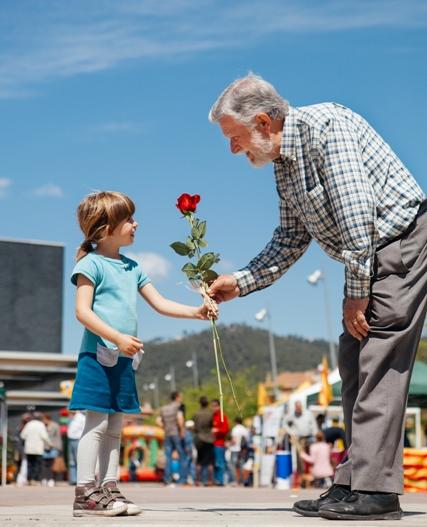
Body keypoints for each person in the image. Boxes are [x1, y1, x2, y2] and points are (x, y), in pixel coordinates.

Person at [208, 74, 427, 520]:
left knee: (378, 361)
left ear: (265, 122)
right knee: (352, 364)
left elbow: (357, 214)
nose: (233, 149)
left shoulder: (326, 128)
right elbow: (290, 237)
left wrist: (355, 295)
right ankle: (352, 481)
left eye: (235, 137)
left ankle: (377, 493)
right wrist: (242, 280)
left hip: (399, 243)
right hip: (369, 253)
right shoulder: (285, 164)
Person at [70, 191, 216, 517]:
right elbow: (82, 312)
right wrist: (118, 337)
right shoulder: (90, 264)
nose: (137, 224)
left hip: (124, 357)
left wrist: (197, 312)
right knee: (95, 424)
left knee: (115, 427)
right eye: (129, 219)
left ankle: (109, 486)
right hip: (98, 355)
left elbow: (160, 303)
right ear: (106, 228)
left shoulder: (132, 267)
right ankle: (85, 491)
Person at [159, 391, 187, 486]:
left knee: (168, 457)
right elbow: (180, 419)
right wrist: (182, 431)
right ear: (177, 397)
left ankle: (167, 479)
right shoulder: (178, 406)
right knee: (182, 455)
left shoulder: (164, 408)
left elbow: (158, 421)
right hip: (176, 433)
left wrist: (165, 427)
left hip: (167, 433)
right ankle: (182, 479)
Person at [20, 412, 51, 485]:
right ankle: (35, 479)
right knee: (37, 464)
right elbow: (45, 436)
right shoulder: (41, 425)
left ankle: (29, 479)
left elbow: (23, 436)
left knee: (30, 464)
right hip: (38, 448)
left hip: (29, 448)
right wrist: (50, 444)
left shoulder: (28, 424)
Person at [193, 396, 214, 486]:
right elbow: (212, 425)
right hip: (209, 438)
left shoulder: (196, 414)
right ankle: (209, 481)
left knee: (199, 461)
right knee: (209, 461)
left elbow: (194, 427)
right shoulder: (211, 413)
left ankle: (197, 480)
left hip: (199, 438)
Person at [211, 399, 229, 486]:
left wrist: (217, 430)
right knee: (214, 463)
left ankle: (220, 480)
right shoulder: (211, 416)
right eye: (212, 406)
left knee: (220, 463)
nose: (213, 408)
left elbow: (225, 429)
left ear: (219, 406)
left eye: (215, 406)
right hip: (211, 443)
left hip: (219, 444)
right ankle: (215, 480)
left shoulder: (222, 417)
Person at [42, 414, 62, 487]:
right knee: (45, 464)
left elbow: (58, 437)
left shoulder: (55, 425)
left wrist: (59, 447)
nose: (43, 421)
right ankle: (45, 479)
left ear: (48, 419)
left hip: (53, 447)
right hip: (44, 447)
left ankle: (52, 479)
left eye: (44, 419)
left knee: (53, 464)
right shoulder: (42, 426)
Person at [67, 410, 86, 485]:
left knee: (78, 460)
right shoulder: (72, 418)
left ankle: (80, 479)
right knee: (71, 461)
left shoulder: (81, 418)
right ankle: (73, 479)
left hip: (77, 439)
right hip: (71, 440)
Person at [229, 416, 249, 485]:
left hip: (235, 449)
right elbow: (247, 440)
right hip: (242, 449)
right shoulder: (244, 429)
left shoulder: (235, 429)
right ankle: (243, 480)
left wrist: (229, 444)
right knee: (241, 464)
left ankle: (235, 480)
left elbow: (234, 440)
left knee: (232, 465)